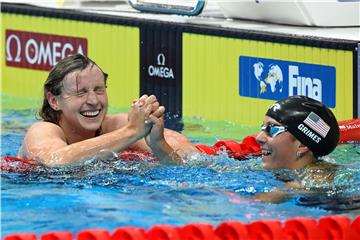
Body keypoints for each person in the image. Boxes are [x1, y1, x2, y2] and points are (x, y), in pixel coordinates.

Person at [17, 54, 197, 166]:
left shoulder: (116, 125)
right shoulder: (42, 131)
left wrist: (158, 144)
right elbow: (54, 162)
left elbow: (192, 157)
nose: (94, 101)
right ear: (54, 101)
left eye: (99, 90)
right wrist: (132, 131)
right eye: (81, 92)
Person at [253, 95, 340, 202]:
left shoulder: (316, 179)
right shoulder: (279, 169)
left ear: (302, 145)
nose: (259, 138)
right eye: (263, 127)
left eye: (272, 129)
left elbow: (256, 203)